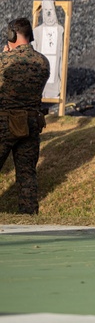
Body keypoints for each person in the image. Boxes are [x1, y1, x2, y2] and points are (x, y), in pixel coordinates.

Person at [0, 19, 50, 214]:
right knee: (27, 173)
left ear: (11, 35)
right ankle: (29, 216)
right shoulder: (42, 61)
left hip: (5, 122)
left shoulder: (4, 61)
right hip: (31, 122)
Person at [32, 0, 64, 100]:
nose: (48, 13)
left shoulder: (59, 29)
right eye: (46, 10)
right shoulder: (37, 31)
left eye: (50, 10)